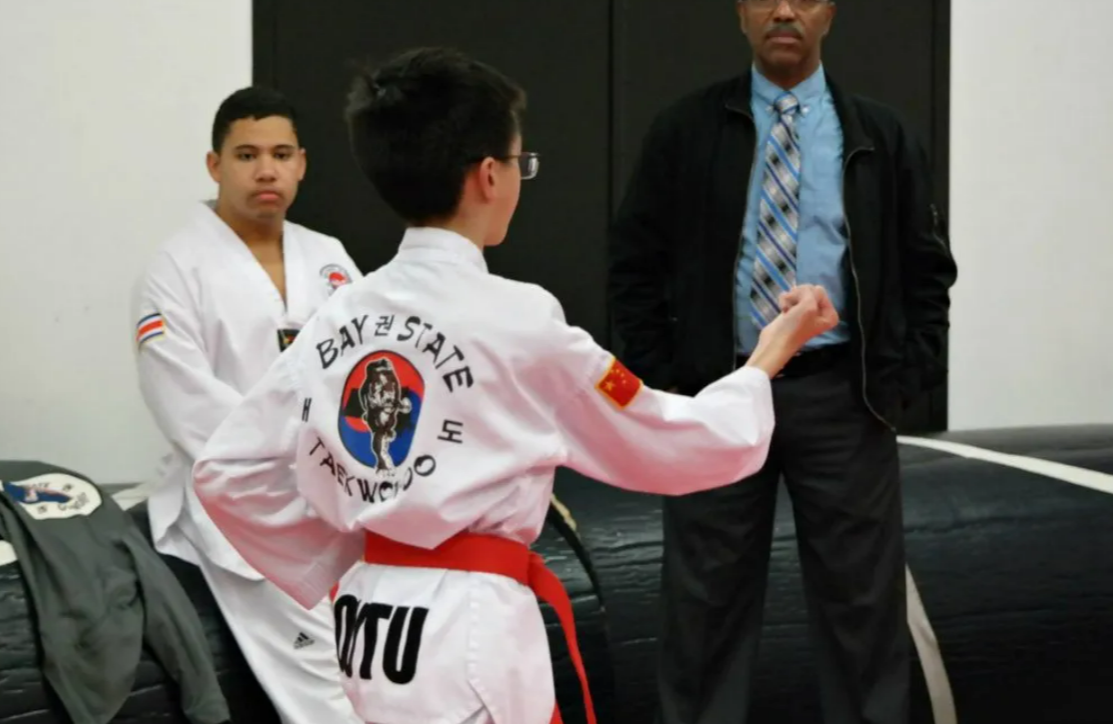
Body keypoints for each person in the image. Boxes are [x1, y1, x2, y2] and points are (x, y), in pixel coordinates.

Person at [190, 47, 838, 724]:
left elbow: (226, 471)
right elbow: (674, 443)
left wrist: (356, 550)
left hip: (366, 619)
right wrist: (764, 361)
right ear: (488, 175)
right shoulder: (518, 319)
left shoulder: (340, 313)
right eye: (519, 163)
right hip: (467, 627)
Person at [607, 1, 959, 723]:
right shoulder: (685, 129)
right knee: (702, 610)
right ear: (741, 12)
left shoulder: (880, 136)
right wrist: (671, 383)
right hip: (719, 393)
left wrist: (900, 381)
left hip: (842, 397)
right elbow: (633, 263)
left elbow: (927, 273)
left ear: (829, 12)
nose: (784, 10)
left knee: (864, 612)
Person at [131, 86, 363, 724]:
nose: (267, 170)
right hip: (237, 499)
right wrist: (294, 472)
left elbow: (366, 380)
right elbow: (182, 400)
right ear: (216, 166)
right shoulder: (176, 268)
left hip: (339, 491)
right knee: (327, 684)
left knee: (385, 653)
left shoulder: (331, 260)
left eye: (282, 154)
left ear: (302, 164)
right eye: (247, 154)